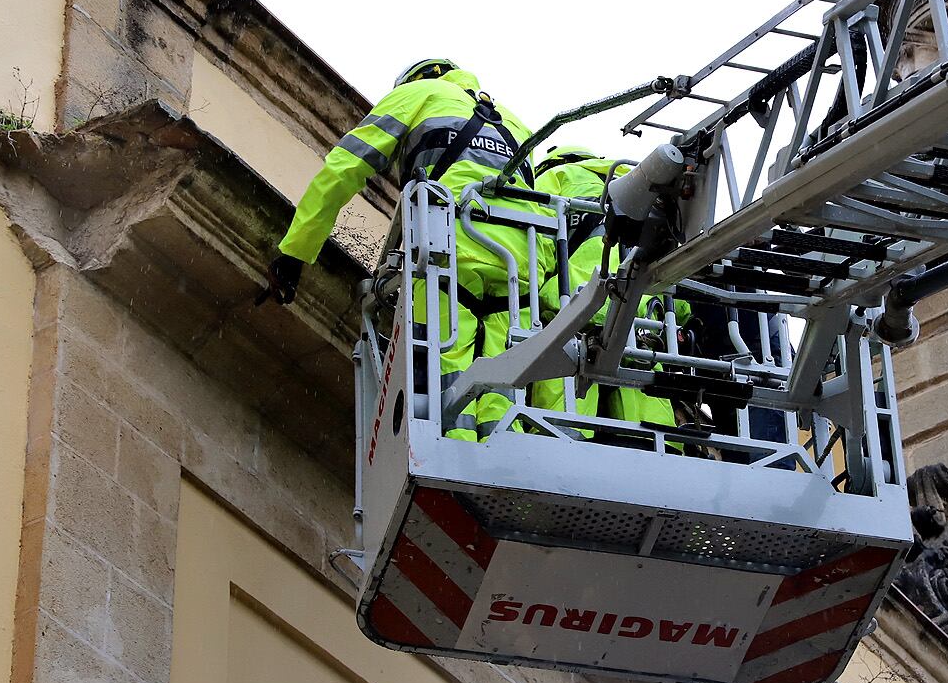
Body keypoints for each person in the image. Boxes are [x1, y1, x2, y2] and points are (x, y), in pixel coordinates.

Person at [264, 58, 545, 440]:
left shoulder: (416, 94)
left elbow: (343, 169)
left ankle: (456, 472)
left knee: (445, 385)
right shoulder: (516, 123)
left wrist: (296, 252)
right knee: (501, 389)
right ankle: (503, 466)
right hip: (519, 269)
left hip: (449, 253)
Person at [531, 145, 686, 439]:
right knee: (650, 441)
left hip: (573, 315)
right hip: (640, 327)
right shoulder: (644, 188)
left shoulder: (555, 178)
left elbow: (535, 249)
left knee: (562, 435)